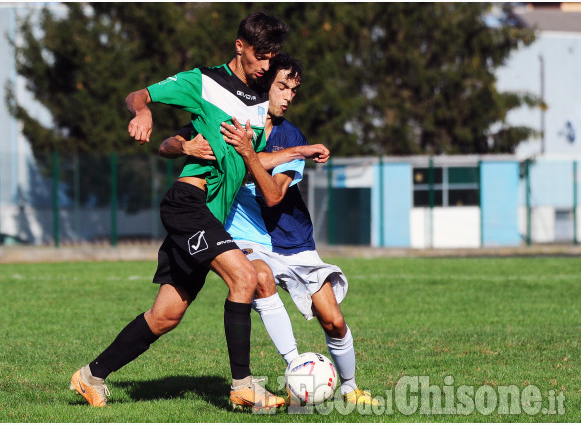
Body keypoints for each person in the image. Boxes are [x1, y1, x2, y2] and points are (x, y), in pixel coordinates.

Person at [70, 12, 292, 411]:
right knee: (244, 276)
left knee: (165, 315)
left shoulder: (263, 100)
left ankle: (90, 375)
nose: (265, 65)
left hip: (210, 218)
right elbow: (138, 95)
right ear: (239, 46)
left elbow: (252, 156)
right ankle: (242, 385)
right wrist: (143, 113)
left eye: (271, 57)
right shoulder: (203, 82)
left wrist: (301, 150)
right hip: (187, 205)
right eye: (260, 55)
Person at [160, 53, 378, 406]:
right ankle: (296, 368)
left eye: (294, 90)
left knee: (333, 320)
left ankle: (352, 389)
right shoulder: (229, 118)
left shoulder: (290, 135)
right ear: (263, 85)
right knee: (257, 277)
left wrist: (248, 154)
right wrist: (183, 145)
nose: (288, 97)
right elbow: (165, 145)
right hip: (249, 239)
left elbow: (274, 195)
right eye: (282, 87)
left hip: (294, 241)